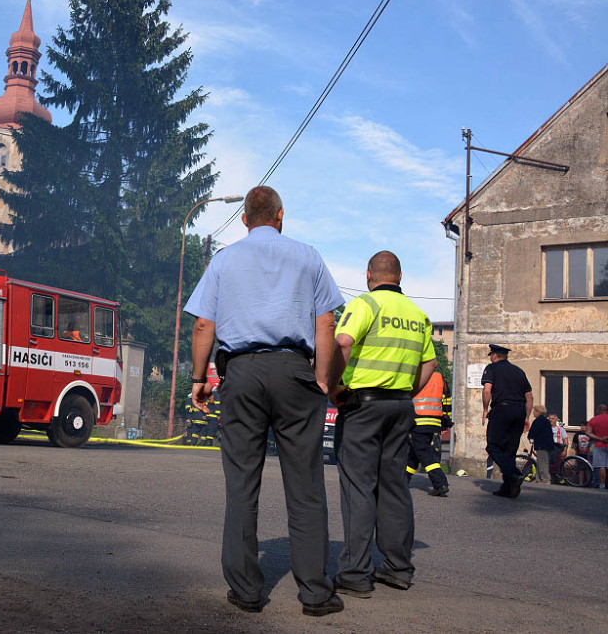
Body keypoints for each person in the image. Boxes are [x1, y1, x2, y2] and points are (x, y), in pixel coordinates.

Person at [184, 186, 344, 617]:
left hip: (241, 374)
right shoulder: (308, 256)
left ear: (243, 220)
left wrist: (200, 378)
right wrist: (321, 380)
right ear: (280, 215)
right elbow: (325, 321)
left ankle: (247, 591)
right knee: (306, 485)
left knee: (241, 483)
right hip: (294, 370)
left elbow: (203, 324)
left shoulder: (223, 260)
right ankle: (314, 593)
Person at [328, 251, 437, 598]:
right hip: (401, 406)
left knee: (359, 485)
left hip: (364, 406)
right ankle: (398, 568)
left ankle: (356, 573)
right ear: (400, 276)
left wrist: (333, 387)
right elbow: (430, 363)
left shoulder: (365, 305)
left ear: (368, 275)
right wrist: (406, 392)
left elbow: (342, 342)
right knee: (393, 486)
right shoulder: (417, 315)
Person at [480, 345, 532, 498]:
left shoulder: (492, 368)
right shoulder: (519, 371)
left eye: (491, 355)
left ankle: (515, 474)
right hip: (519, 411)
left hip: (501, 410)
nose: (490, 358)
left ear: (494, 355)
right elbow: (529, 396)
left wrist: (485, 409)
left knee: (493, 447)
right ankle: (508, 488)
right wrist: (527, 417)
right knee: (509, 450)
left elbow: (487, 389)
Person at [407, 370, 449, 496]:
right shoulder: (439, 377)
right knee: (414, 453)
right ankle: (402, 481)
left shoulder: (413, 374)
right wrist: (446, 421)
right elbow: (446, 400)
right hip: (434, 421)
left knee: (423, 450)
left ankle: (440, 482)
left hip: (418, 419)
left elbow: (404, 397)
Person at [527, 406, 555, 484]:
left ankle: (546, 479)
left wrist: (529, 436)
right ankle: (539, 479)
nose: (533, 413)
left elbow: (533, 431)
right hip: (547, 444)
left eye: (534, 411)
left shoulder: (538, 421)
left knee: (543, 462)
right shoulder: (545, 421)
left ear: (538, 412)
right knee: (540, 461)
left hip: (542, 445)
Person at [585, 404, 608, 490]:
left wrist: (600, 438)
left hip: (599, 445)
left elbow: (588, 432)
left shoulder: (593, 420)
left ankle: (602, 485)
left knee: (601, 466)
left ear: (599, 410)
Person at [549, 414, 568, 484]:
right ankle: (553, 479)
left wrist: (565, 450)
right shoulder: (546, 428)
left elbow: (565, 440)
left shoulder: (561, 429)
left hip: (558, 447)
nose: (550, 420)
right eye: (549, 418)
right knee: (549, 464)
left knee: (558, 464)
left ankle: (560, 478)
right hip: (549, 447)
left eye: (552, 418)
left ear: (556, 420)